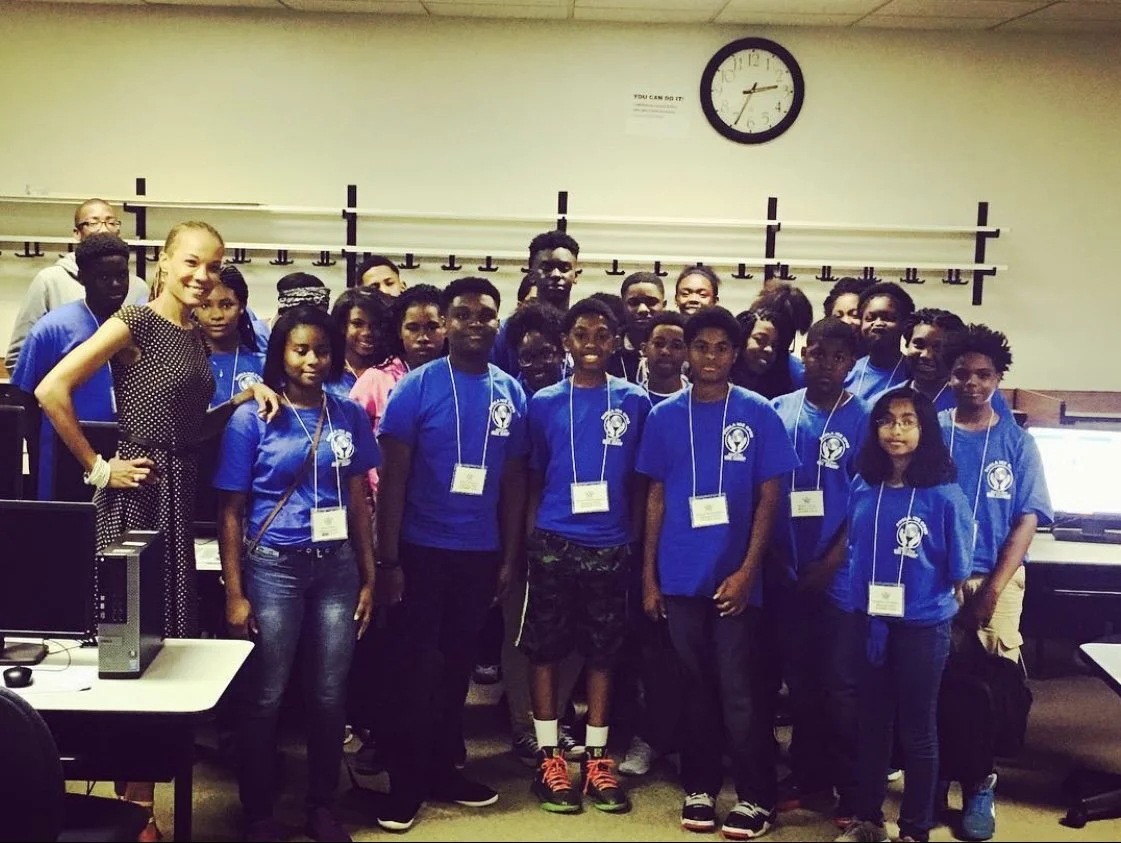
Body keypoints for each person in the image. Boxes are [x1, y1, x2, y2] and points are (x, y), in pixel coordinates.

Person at [34, 221, 280, 840]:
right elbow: (50, 389)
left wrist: (244, 396)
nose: (204, 276)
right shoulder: (135, 322)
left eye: (214, 266)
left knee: (158, 652)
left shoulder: (195, 335)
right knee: (125, 653)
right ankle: (130, 814)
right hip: (137, 496)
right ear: (164, 263)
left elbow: (193, 430)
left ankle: (138, 808)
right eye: (192, 263)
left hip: (176, 494)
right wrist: (98, 467)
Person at [214, 305, 379, 843]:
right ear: (281, 354)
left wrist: (370, 575)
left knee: (331, 695)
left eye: (322, 350)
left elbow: (358, 500)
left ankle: (322, 805)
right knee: (266, 694)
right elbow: (232, 510)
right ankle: (259, 810)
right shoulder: (253, 418)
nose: (312, 360)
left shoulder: (348, 413)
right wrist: (235, 592)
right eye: (300, 349)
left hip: (336, 570)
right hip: (273, 570)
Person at [638, 306, 799, 839]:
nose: (710, 357)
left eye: (721, 348)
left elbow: (769, 497)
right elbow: (656, 497)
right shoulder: (663, 417)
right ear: (686, 351)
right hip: (680, 576)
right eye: (700, 346)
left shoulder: (758, 412)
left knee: (739, 690)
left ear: (735, 354)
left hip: (735, 579)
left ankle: (756, 797)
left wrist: (749, 570)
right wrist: (649, 577)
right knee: (694, 686)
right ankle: (701, 786)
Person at [375, 276, 529, 831]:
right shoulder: (415, 388)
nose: (473, 324)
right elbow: (392, 480)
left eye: (485, 315)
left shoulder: (510, 393)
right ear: (446, 324)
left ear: (496, 321)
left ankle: (443, 770)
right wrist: (387, 561)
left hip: (478, 555)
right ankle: (405, 784)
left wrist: (510, 557)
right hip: (419, 552)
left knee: (457, 668)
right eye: (461, 315)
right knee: (413, 669)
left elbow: (514, 483)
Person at [517, 298, 650, 815]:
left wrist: (633, 541)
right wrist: (529, 540)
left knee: (602, 652)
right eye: (581, 334)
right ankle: (549, 756)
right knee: (544, 651)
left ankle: (596, 756)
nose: (591, 342)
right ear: (566, 343)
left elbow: (641, 482)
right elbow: (533, 476)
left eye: (601, 333)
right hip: (553, 539)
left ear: (615, 340)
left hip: (611, 543)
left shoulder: (635, 400)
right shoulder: (544, 402)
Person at [835, 387, 972, 843]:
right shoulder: (863, 484)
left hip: (922, 624)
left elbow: (958, 566)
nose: (896, 430)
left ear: (924, 429)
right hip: (869, 619)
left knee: (917, 727)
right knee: (872, 724)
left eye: (908, 420)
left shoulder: (945, 495)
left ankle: (914, 827)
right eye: (887, 420)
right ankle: (866, 820)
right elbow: (855, 546)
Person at [937, 325, 1052, 842]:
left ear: (999, 377)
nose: (972, 382)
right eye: (962, 373)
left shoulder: (1017, 443)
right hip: (935, 577)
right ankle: (936, 778)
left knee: (986, 692)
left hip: (996, 580)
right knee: (935, 685)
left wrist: (990, 592)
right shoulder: (932, 430)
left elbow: (1026, 519)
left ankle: (980, 782)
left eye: (984, 374)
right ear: (949, 375)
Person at [769, 318, 869, 823]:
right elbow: (763, 492)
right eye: (816, 353)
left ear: (851, 365)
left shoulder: (868, 419)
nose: (825, 364)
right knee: (801, 682)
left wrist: (829, 563)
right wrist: (780, 559)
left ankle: (851, 786)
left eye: (837, 357)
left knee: (842, 684)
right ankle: (807, 775)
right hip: (786, 570)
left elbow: (870, 503)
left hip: (840, 576)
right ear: (802, 354)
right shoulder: (777, 411)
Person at [10, 234, 130, 499]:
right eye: (104, 277)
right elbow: (23, 403)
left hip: (124, 451)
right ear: (83, 277)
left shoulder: (136, 326)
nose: (115, 284)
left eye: (122, 275)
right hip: (62, 452)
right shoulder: (52, 329)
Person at [6, 198, 146, 371]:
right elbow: (17, 357)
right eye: (93, 222)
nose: (103, 228)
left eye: (111, 222)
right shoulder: (49, 280)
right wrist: (58, 388)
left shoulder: (138, 287)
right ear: (76, 233)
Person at [895, 309, 1012, 419]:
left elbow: (1008, 438)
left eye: (938, 348)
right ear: (907, 345)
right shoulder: (886, 399)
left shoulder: (983, 397)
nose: (926, 355)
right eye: (919, 345)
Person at [492, 231, 581, 376]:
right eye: (546, 268)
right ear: (532, 274)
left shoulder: (583, 331)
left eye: (564, 268)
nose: (556, 275)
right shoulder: (505, 332)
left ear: (575, 275)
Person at [198, 265, 266, 410]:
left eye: (227, 305)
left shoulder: (263, 362)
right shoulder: (182, 361)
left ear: (242, 306)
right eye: (205, 306)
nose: (216, 315)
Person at [845, 282, 916, 402]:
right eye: (870, 318)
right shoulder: (847, 371)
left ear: (904, 324)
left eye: (887, 318)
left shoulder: (914, 372)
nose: (878, 324)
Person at [326, 287, 390, 399]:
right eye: (357, 324)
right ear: (342, 326)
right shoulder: (326, 371)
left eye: (375, 325)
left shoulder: (392, 371)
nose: (367, 332)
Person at [608, 271, 666, 384]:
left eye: (651, 302)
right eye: (634, 303)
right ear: (623, 306)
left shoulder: (678, 349)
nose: (643, 309)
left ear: (663, 305)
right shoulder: (609, 350)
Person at [505, 301, 565, 397]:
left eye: (545, 355)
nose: (537, 365)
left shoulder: (577, 390)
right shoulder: (511, 397)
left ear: (561, 353)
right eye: (527, 358)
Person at [731, 307, 794, 399]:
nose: (769, 350)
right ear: (742, 339)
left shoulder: (779, 397)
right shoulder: (716, 385)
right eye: (760, 340)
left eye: (774, 345)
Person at [639, 311, 689, 403]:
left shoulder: (699, 398)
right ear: (644, 349)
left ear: (687, 353)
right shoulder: (631, 397)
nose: (665, 352)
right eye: (658, 344)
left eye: (676, 346)